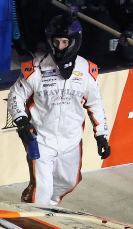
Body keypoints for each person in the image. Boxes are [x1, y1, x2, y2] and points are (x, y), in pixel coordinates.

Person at [7, 13, 110, 206]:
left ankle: (48, 205)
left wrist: (101, 136)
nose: (60, 47)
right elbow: (15, 96)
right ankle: (36, 219)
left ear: (74, 41)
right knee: (41, 194)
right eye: (56, 42)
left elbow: (95, 103)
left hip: (71, 141)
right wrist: (22, 121)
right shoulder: (35, 69)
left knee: (70, 182)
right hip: (41, 140)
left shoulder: (87, 70)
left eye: (65, 42)